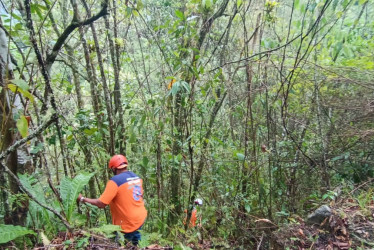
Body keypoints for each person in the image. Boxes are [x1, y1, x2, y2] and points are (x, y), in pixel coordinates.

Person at [77, 154, 147, 246]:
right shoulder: (137, 177)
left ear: (114, 168)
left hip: (127, 224)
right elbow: (140, 194)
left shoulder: (115, 181)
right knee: (137, 245)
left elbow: (101, 203)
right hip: (140, 218)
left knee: (122, 245)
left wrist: (82, 199)